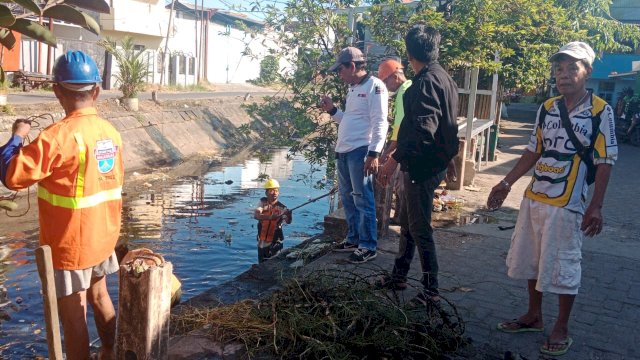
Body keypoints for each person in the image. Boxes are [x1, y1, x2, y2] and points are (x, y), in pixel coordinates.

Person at [486, 41, 617, 357]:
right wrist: (505, 182)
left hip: (569, 202)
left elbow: (605, 161)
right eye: (559, 68)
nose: (564, 74)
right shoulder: (547, 108)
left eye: (572, 67)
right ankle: (533, 316)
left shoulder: (601, 111)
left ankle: (561, 326)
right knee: (532, 258)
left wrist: (595, 205)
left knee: (562, 264)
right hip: (535, 196)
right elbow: (533, 150)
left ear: (587, 72)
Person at [0, 50, 123, 360]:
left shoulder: (57, 137)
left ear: (56, 90)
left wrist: (17, 138)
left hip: (70, 244)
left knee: (73, 316)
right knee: (100, 296)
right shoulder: (110, 133)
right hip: (103, 236)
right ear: (96, 91)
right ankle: (111, 352)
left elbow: (12, 176)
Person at [377, 25, 459, 303]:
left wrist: (391, 162)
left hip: (421, 166)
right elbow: (449, 127)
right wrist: (452, 160)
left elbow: (422, 131)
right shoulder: (444, 78)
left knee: (420, 228)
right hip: (433, 164)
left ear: (410, 54)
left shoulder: (423, 83)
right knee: (409, 223)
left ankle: (431, 291)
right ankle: (399, 276)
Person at [319, 46, 389, 263]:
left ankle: (368, 245)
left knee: (362, 199)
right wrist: (332, 110)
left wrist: (374, 153)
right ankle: (353, 239)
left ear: (351, 66)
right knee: (348, 199)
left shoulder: (374, 86)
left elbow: (380, 122)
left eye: (340, 69)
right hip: (344, 151)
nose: (339, 74)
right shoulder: (353, 88)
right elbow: (350, 120)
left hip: (360, 152)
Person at [377, 59, 412, 225]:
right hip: (412, 145)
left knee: (401, 185)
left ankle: (402, 218)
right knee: (401, 185)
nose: (385, 85)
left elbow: (399, 128)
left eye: (385, 81)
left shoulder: (404, 92)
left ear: (395, 77)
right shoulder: (411, 86)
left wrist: (387, 152)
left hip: (405, 147)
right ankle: (399, 216)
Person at [254, 178, 292, 263]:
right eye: (271, 190)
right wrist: (270, 217)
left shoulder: (282, 207)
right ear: (266, 193)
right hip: (262, 242)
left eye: (276, 190)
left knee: (274, 265)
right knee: (262, 264)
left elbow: (288, 221)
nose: (274, 193)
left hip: (276, 242)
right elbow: (256, 215)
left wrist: (289, 215)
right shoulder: (262, 202)